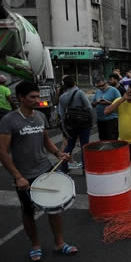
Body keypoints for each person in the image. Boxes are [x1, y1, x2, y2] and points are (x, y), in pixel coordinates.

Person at [0, 81, 77, 261]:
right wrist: (17, 177)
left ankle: (59, 243)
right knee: (28, 211)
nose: (37, 100)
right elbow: (2, 151)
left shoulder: (40, 117)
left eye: (37, 96)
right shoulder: (9, 120)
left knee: (54, 208)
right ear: (20, 98)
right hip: (24, 174)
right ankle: (35, 245)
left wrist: (58, 153)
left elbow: (45, 140)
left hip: (45, 169)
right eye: (32, 97)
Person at [58, 76, 93, 173]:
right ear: (75, 82)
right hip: (83, 124)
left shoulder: (62, 97)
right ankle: (85, 169)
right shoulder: (80, 93)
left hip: (71, 125)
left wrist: (65, 127)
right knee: (84, 146)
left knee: (69, 145)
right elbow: (89, 107)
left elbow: (61, 114)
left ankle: (64, 168)